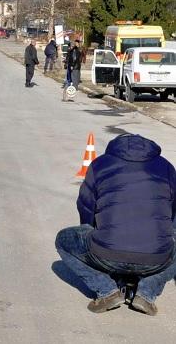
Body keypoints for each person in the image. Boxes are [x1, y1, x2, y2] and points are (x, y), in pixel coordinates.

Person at [56, 133, 176, 315]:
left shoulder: (100, 164)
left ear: (114, 147)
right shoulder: (167, 167)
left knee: (63, 240)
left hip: (105, 254)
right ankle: (147, 292)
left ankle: (107, 290)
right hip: (156, 259)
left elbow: (86, 206)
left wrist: (92, 232)